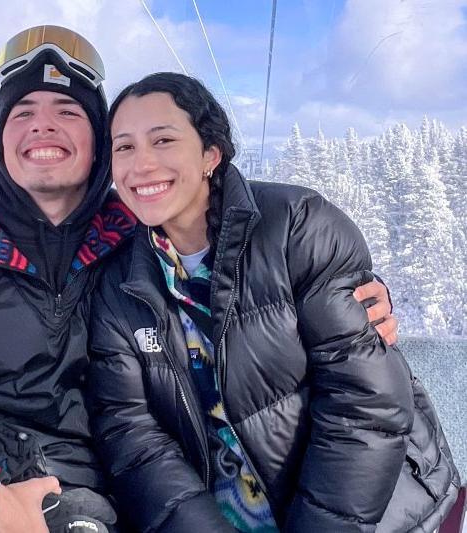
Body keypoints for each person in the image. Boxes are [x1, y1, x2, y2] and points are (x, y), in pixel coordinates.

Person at [0, 27, 396, 532]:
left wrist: (351, 308)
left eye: (67, 112)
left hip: (106, 500)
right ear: (0, 137)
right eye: (22, 111)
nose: (42, 126)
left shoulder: (136, 244)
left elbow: (240, 310)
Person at [87, 72, 460, 533]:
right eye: (123, 147)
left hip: (377, 510)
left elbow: (365, 403)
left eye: (162, 140)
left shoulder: (297, 227)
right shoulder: (120, 282)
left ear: (210, 153)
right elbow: (133, 432)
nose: (140, 164)